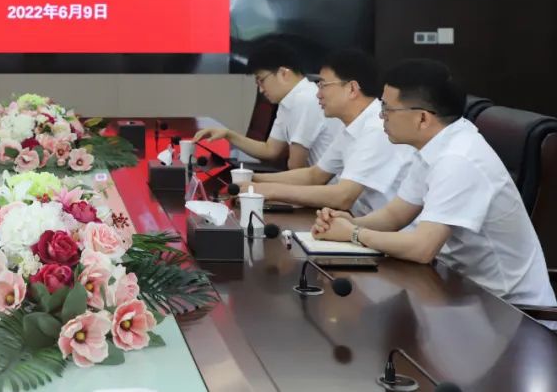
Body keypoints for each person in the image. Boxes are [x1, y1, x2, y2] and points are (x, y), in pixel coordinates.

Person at [313, 59, 556, 307]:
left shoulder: (459, 159)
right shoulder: (434, 145)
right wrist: (347, 222)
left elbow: (422, 248)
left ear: (422, 118)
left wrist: (354, 234)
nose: (381, 116)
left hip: (508, 310)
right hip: (456, 289)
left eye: (387, 109)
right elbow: (395, 215)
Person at [247, 50, 414, 216]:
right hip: (361, 221)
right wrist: (252, 179)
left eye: (323, 85)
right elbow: (315, 175)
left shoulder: (376, 128)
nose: (318, 94)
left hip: (389, 229)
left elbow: (343, 196)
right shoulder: (352, 125)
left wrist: (269, 190)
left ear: (352, 89)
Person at [194, 40, 340, 169]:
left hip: (329, 188)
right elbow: (270, 150)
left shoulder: (305, 99)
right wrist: (228, 134)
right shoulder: (289, 101)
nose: (261, 90)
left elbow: (295, 167)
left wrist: (255, 180)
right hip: (313, 184)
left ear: (284, 73)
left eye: (261, 80)